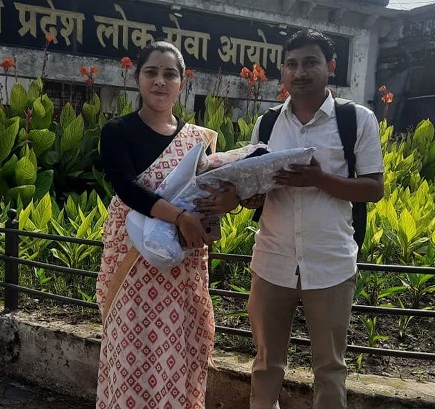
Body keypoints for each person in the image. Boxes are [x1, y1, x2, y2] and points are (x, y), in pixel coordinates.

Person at [241, 29, 385, 409]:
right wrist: (249, 195)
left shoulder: (356, 120)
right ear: (282, 71)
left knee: (330, 368)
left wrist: (319, 179)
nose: (300, 72)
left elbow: (374, 189)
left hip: (330, 264)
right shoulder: (268, 124)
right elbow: (255, 186)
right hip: (272, 261)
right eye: (291, 64)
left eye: (310, 62)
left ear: (330, 66)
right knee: (265, 364)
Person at [96, 40, 239, 409]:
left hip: (182, 264)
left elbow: (204, 193)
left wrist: (223, 204)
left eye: (169, 74)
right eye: (151, 72)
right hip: (134, 261)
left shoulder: (198, 140)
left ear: (181, 83)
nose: (160, 81)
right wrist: (178, 217)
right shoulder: (117, 130)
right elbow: (127, 188)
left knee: (177, 346)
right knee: (131, 346)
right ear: (138, 78)